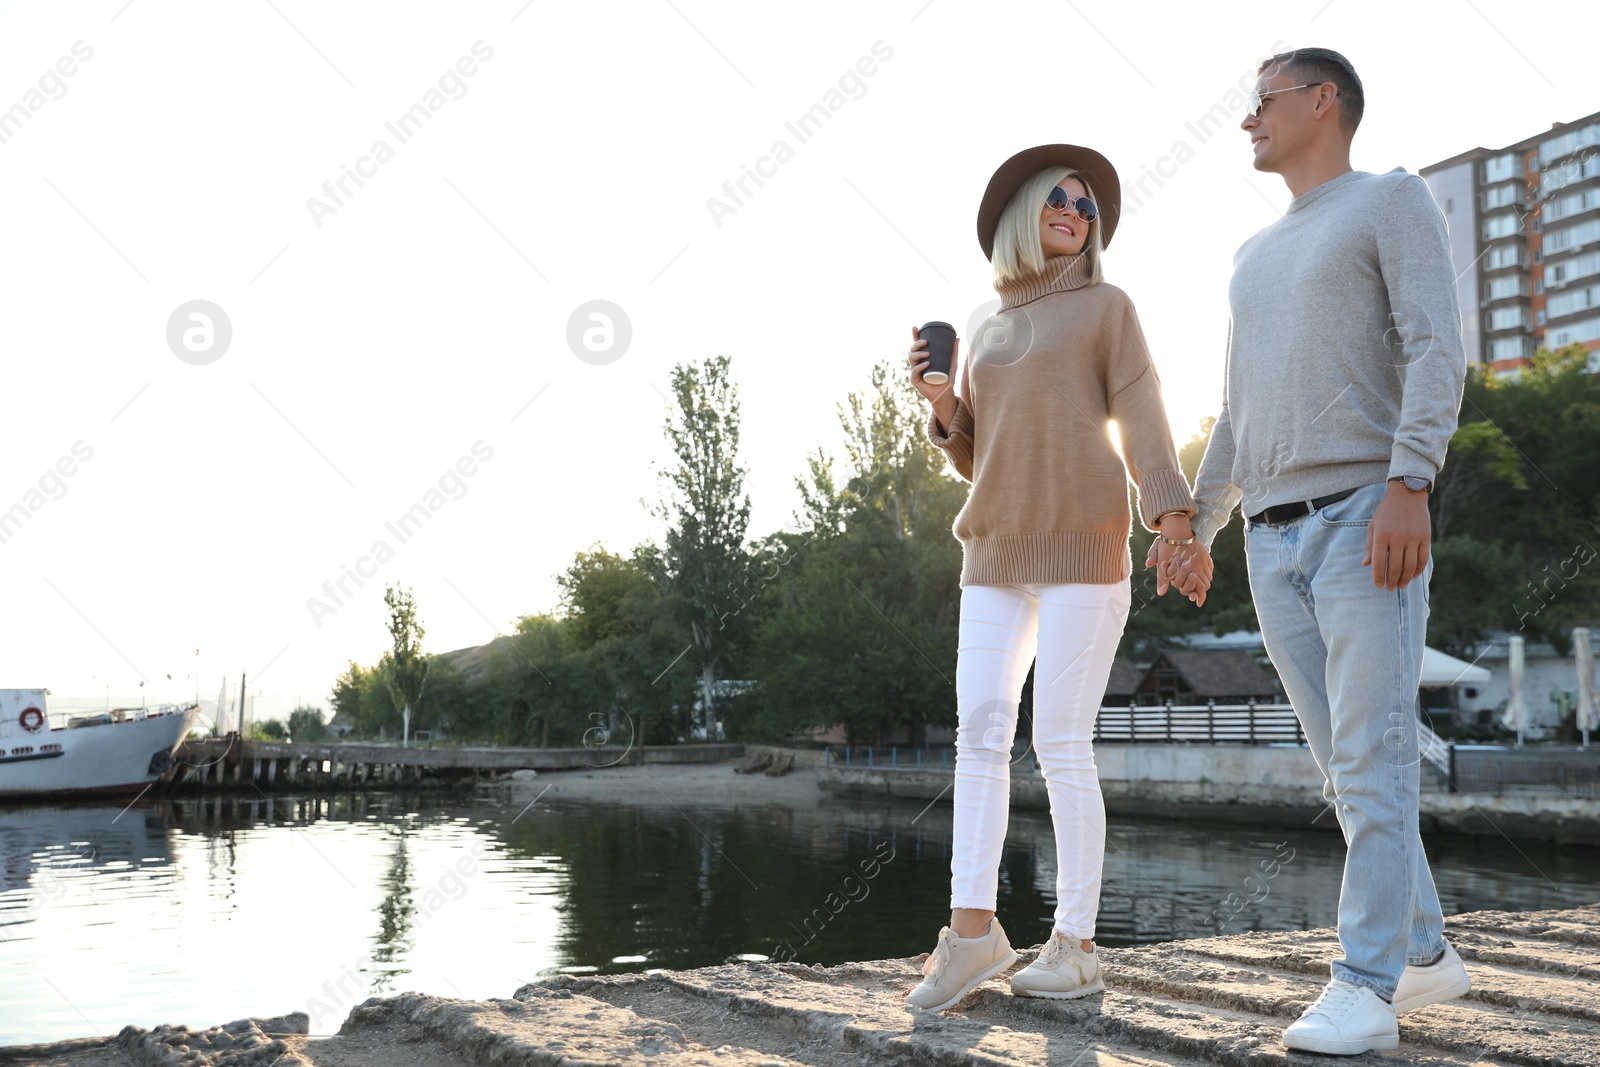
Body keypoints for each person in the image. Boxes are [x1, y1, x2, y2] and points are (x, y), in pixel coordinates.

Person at [1186, 47, 1472, 1056]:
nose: (1246, 120)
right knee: (1348, 772)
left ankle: (1364, 984)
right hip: (1270, 537)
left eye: (1259, 100)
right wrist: (1198, 518)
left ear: (1322, 102)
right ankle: (1428, 951)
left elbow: (1437, 345)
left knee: (1372, 753)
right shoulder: (1247, 257)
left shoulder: (1391, 200)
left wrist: (1409, 482)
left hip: (1365, 516)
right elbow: (1235, 411)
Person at [902, 144, 1212, 1013]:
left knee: (1061, 744)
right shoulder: (986, 326)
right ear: (1022, 215)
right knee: (978, 737)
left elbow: (1145, 412)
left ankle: (1075, 943)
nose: (1077, 212)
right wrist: (944, 410)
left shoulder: (1106, 307)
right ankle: (972, 937)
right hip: (994, 550)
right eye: (1059, 200)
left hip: (1084, 546)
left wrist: (1175, 522)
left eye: (1087, 205)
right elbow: (981, 459)